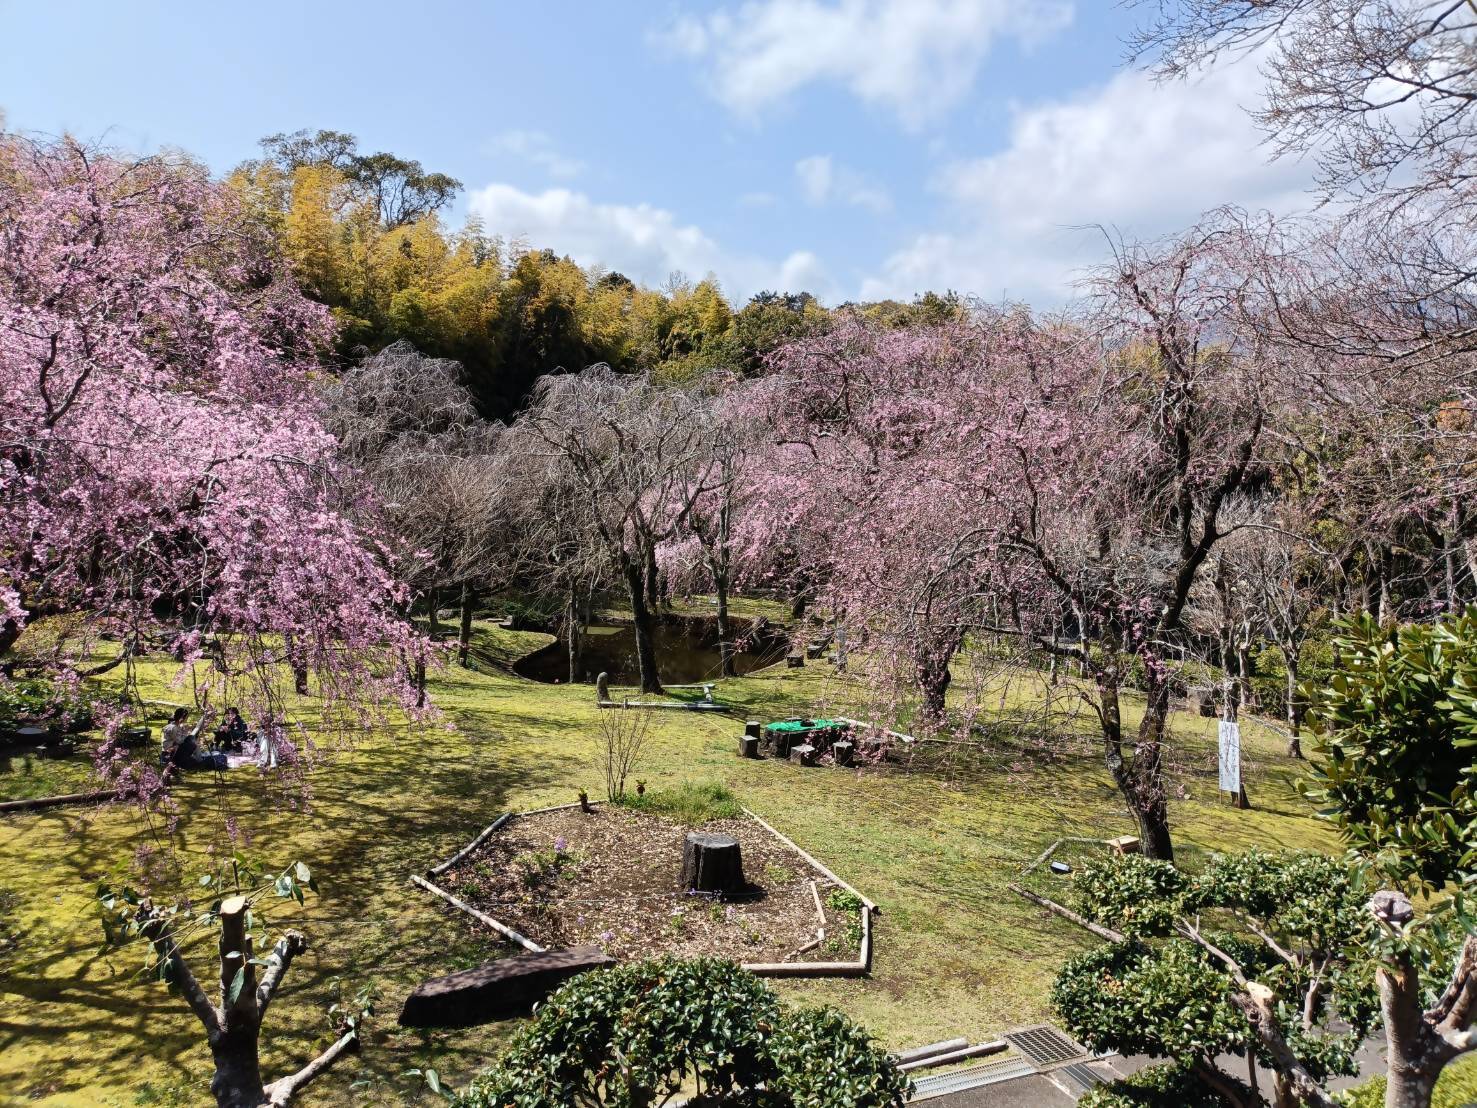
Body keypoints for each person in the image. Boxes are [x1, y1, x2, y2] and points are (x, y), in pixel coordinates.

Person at [160, 707, 226, 772]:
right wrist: (185, 735)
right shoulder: (173, 728)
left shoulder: (174, 725)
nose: (187, 719)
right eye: (186, 717)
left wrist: (204, 716)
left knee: (191, 738)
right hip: (169, 755)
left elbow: (195, 729)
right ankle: (200, 760)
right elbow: (179, 741)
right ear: (183, 717)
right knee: (191, 740)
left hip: (174, 753)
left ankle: (200, 759)